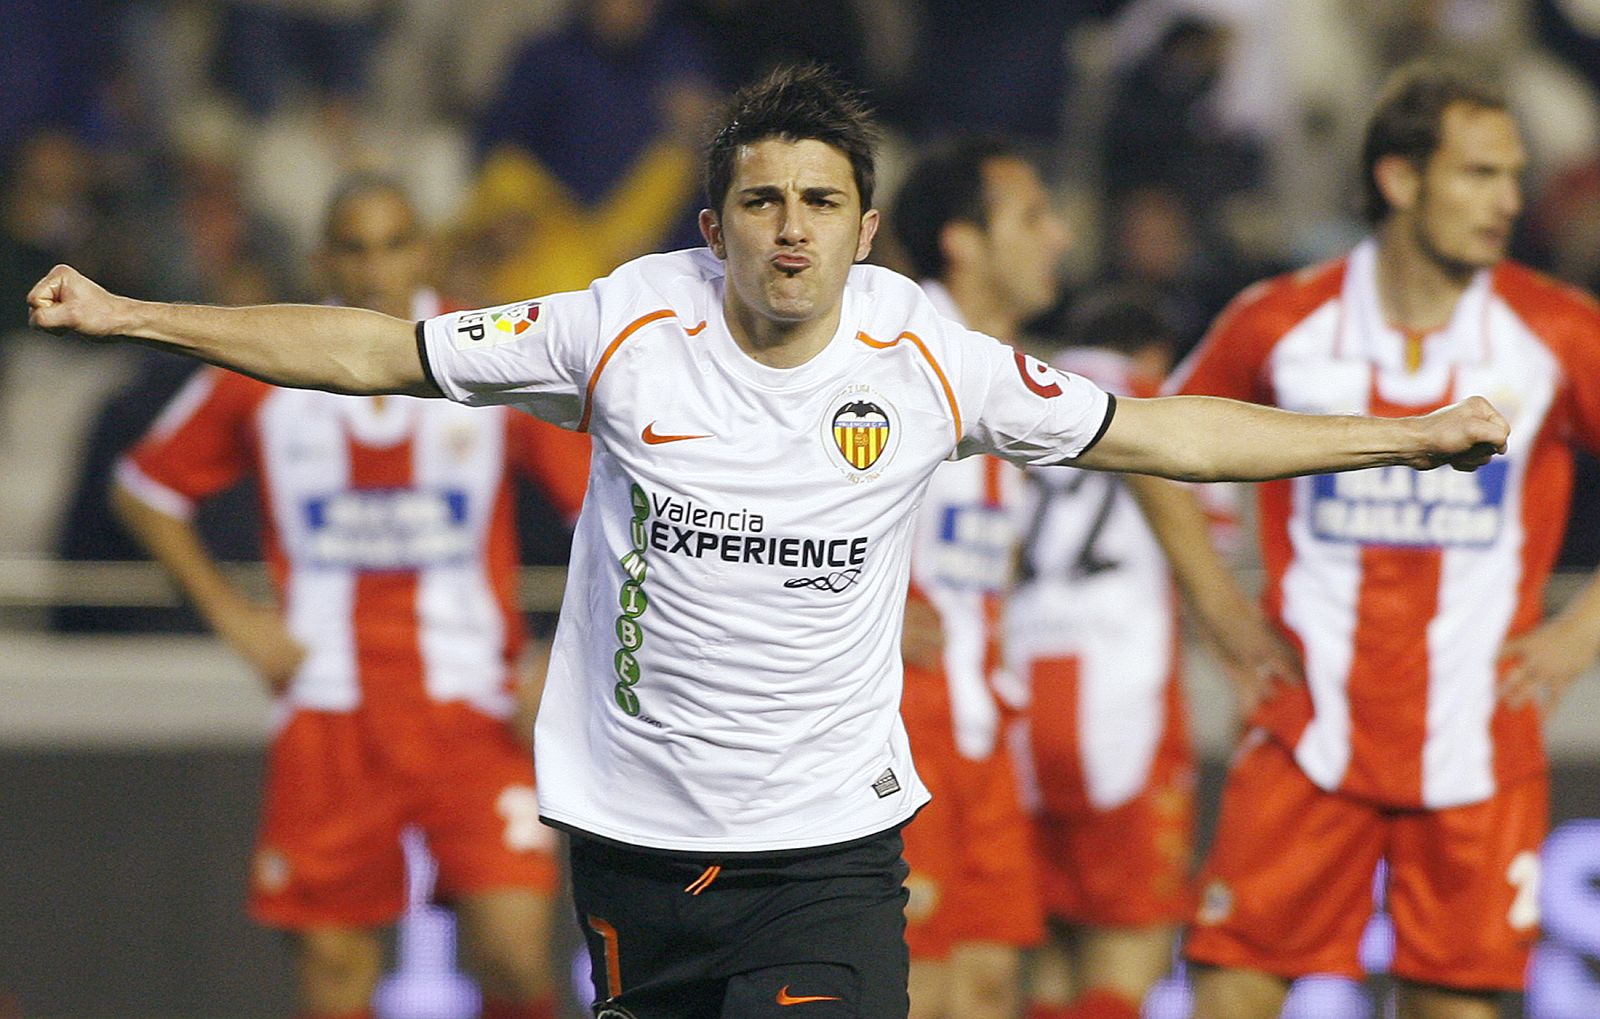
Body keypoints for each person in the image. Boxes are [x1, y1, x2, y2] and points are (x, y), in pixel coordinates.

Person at [31, 64, 1508, 1019]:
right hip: (634, 839)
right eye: (761, 201)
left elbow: (1167, 432)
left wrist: (1398, 434)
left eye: (820, 202)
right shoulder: (621, 323)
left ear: (865, 231)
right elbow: (372, 349)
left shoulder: (929, 359)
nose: (790, 228)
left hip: (827, 847)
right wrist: (132, 312)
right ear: (713, 224)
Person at [1168, 62, 1600, 1019]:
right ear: (1401, 178)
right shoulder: (1283, 321)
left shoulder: (1557, 330)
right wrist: (1220, 608)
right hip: (1306, 729)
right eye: (1480, 173)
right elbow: (1158, 442)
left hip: (1478, 743)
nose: (1509, 201)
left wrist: (1583, 631)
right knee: (1229, 996)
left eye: (1514, 175)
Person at [108, 177, 589, 1019]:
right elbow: (145, 488)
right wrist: (233, 618)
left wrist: (565, 656)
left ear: (425, 251)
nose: (375, 268)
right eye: (354, 248)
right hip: (330, 710)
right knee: (335, 975)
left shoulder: (489, 352)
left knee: (514, 954)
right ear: (323, 260)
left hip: (474, 709)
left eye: (394, 244)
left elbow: (607, 506)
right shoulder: (269, 364)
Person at [886, 138, 1066, 1019]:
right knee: (916, 989)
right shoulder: (889, 357)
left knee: (990, 985)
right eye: (1032, 217)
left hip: (983, 724)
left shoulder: (1018, 375)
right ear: (962, 240)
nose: (1059, 236)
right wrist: (867, 608)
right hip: (899, 725)